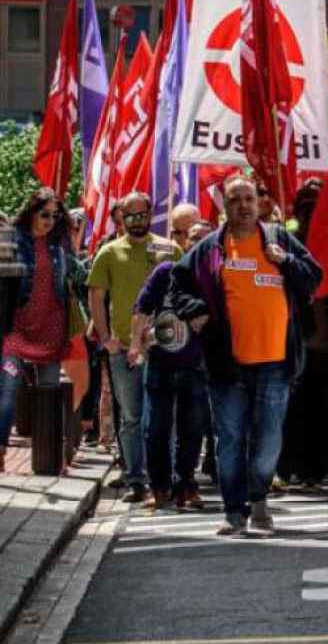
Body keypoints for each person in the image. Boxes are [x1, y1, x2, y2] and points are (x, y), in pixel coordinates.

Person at [168, 175, 324, 536]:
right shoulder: (209, 247)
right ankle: (234, 512)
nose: (243, 205)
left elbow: (314, 278)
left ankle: (259, 500)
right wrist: (195, 311)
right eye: (235, 199)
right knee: (231, 439)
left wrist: (286, 262)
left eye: (249, 198)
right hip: (227, 365)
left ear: (259, 203)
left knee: (268, 439)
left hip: (275, 362)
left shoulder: (279, 239)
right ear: (225, 205)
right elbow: (178, 282)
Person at [88, 192, 182, 501]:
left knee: (162, 416)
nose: (137, 221)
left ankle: (163, 478)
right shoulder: (110, 252)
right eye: (130, 216)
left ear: (150, 213)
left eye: (142, 215)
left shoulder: (169, 249)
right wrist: (106, 338)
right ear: (121, 219)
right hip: (124, 349)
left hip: (162, 348)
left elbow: (184, 292)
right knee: (131, 417)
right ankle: (134, 479)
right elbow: (96, 298)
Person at [133, 215, 211, 512]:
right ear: (183, 241)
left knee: (192, 430)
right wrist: (138, 344)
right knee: (156, 429)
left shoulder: (215, 277)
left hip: (197, 365)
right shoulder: (166, 271)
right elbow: (142, 307)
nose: (198, 242)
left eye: (205, 237)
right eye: (193, 236)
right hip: (161, 365)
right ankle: (159, 488)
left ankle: (186, 486)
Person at [0, 190, 82, 467]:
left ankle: (51, 455)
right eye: (44, 214)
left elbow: (76, 273)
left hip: (51, 325)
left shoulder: (60, 241)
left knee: (49, 388)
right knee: (8, 388)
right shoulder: (12, 237)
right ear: (31, 212)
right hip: (15, 327)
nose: (50, 220)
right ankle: (1, 448)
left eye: (55, 215)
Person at [278, 181, 328, 492]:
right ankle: (292, 464)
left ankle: (318, 465)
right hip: (300, 336)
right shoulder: (289, 242)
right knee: (296, 406)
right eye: (305, 206)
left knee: (325, 407)